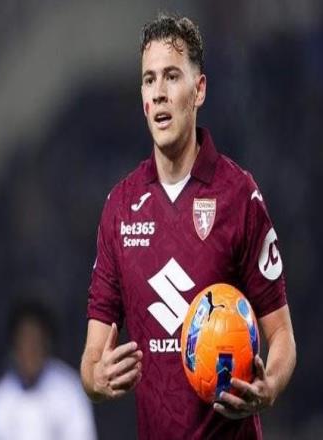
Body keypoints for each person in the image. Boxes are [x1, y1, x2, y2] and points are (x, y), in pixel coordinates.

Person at [80, 13, 296, 439]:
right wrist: (95, 379)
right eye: (149, 80)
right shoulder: (120, 208)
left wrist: (268, 386)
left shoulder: (239, 196)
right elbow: (91, 357)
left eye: (172, 76)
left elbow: (283, 334)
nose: (159, 92)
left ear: (199, 91)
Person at [0, 298, 97, 440]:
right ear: (14, 347)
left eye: (35, 342)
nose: (30, 350)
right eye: (24, 342)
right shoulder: (0, 396)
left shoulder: (69, 390)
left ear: (46, 344)